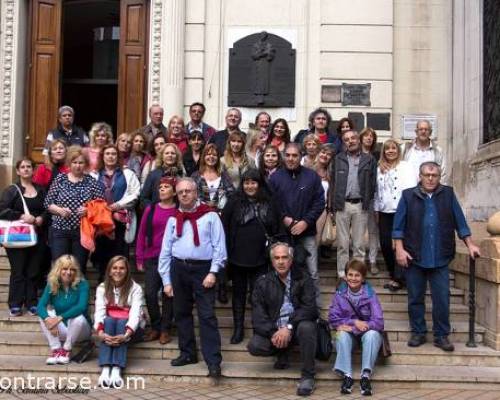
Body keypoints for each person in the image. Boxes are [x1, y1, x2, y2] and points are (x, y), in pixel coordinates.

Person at [393, 161, 481, 352]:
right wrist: (399, 249)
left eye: (434, 175)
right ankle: (418, 332)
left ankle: (441, 335)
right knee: (415, 297)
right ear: (420, 176)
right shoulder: (408, 195)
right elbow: (398, 226)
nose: (431, 179)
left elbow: (460, 222)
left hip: (440, 256)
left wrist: (470, 244)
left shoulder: (448, 194)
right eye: (427, 175)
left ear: (439, 177)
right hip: (414, 256)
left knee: (442, 298)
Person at [158, 177, 227, 378]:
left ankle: (213, 361)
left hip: (203, 269)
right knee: (181, 313)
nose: (185, 194)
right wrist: (166, 281)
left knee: (206, 316)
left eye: (188, 191)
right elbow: (165, 250)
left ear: (196, 193)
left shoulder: (210, 216)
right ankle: (187, 353)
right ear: (176, 195)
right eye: (180, 192)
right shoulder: (173, 218)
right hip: (179, 269)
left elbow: (219, 247)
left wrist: (213, 272)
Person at [248, 242, 318, 397]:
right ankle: (282, 351)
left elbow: (310, 309)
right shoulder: (262, 282)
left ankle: (308, 376)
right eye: (277, 258)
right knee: (255, 345)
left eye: (284, 257)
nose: (281, 261)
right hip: (276, 330)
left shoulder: (303, 278)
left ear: (291, 260)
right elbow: (258, 318)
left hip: (297, 329)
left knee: (307, 327)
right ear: (272, 261)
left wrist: (289, 327)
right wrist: (276, 333)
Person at [222, 169, 283, 344]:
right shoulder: (234, 201)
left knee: (260, 296)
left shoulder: (270, 202)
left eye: (253, 182)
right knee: (239, 295)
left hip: (261, 258)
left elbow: (277, 228)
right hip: (237, 258)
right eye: (246, 182)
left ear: (259, 184)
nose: (250, 186)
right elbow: (224, 226)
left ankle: (259, 329)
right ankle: (238, 328)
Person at [269, 143, 325, 307]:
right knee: (283, 271)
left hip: (306, 232)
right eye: (288, 155)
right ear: (284, 156)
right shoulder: (276, 178)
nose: (291, 159)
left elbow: (319, 202)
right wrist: (284, 218)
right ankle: (283, 308)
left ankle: (316, 309)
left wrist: (306, 222)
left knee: (312, 272)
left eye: (295, 155)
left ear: (301, 157)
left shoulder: (312, 176)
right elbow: (271, 203)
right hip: (283, 234)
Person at [45, 146, 105, 274]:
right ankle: (59, 293)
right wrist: (59, 210)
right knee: (59, 267)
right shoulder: (60, 179)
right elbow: (48, 202)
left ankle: (77, 294)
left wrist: (88, 210)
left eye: (81, 162)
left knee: (78, 267)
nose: (78, 166)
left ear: (86, 164)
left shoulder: (91, 182)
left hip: (82, 232)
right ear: (69, 163)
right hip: (60, 230)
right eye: (75, 162)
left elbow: (101, 206)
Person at [328, 259, 384, 396]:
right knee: (339, 333)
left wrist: (363, 325)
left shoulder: (371, 294)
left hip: (367, 334)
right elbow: (332, 318)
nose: (353, 278)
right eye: (350, 275)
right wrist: (354, 323)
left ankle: (365, 377)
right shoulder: (339, 294)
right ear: (346, 276)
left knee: (373, 334)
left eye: (357, 275)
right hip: (349, 335)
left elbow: (379, 322)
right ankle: (347, 376)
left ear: (363, 277)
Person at [0, 158, 48, 316]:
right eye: (23, 167)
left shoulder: (41, 190)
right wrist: (21, 215)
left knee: (34, 270)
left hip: (37, 236)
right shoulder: (11, 190)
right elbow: (2, 210)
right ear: (18, 171)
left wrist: (41, 218)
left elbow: (48, 209)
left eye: (29, 167)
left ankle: (32, 302)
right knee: (18, 270)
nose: (26, 169)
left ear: (34, 170)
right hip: (16, 237)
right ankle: (15, 303)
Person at [136, 177, 177, 344]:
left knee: (169, 294)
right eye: (160, 187)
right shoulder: (151, 209)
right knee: (150, 293)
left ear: (174, 192)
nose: (162, 189)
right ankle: (156, 326)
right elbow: (142, 233)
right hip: (152, 257)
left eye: (166, 187)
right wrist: (139, 256)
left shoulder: (179, 211)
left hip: (173, 259)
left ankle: (165, 329)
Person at [91, 145, 140, 281]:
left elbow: (134, 193)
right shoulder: (94, 175)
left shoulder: (127, 173)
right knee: (102, 255)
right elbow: (89, 196)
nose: (111, 156)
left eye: (113, 154)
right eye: (107, 154)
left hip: (120, 221)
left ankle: (120, 286)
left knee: (119, 255)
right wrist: (103, 209)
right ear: (103, 156)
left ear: (118, 157)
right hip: (101, 223)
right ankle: (103, 285)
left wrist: (117, 205)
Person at [332, 130, 377, 279]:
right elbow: (333, 182)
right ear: (343, 143)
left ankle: (357, 276)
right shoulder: (338, 158)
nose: (350, 141)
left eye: (353, 138)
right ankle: (342, 276)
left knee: (358, 245)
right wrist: (333, 206)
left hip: (360, 205)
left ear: (359, 140)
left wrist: (367, 201)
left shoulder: (369, 159)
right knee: (342, 245)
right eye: (346, 139)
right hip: (342, 205)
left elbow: (373, 182)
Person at [94, 256, 145, 388]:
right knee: (109, 320)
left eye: (122, 268)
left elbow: (135, 315)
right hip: (110, 328)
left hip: (131, 330)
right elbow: (99, 311)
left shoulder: (136, 288)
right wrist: (100, 332)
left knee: (122, 322)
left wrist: (126, 335)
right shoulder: (102, 287)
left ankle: (116, 370)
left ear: (127, 271)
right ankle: (105, 370)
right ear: (109, 271)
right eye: (115, 268)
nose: (118, 271)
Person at [374, 139, 417, 292]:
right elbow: (377, 192)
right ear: (383, 151)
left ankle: (398, 278)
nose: (390, 151)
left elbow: (412, 188)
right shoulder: (379, 168)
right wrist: (376, 210)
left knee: (399, 244)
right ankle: (393, 273)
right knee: (385, 244)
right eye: (387, 149)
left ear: (398, 151)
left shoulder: (406, 166)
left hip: (402, 210)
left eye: (393, 148)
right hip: (384, 211)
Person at [37, 255, 91, 365]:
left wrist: (59, 318)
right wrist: (48, 320)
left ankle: (66, 350)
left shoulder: (83, 284)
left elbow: (81, 307)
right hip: (61, 329)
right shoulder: (52, 284)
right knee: (43, 315)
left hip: (81, 330)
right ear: (58, 270)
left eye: (72, 269)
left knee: (78, 318)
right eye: (65, 269)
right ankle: (56, 350)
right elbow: (40, 306)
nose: (68, 272)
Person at [360, 127, 380, 274]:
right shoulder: (353, 155)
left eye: (371, 136)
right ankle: (358, 261)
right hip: (357, 198)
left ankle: (372, 260)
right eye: (366, 136)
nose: (369, 138)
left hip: (373, 197)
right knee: (357, 231)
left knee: (373, 231)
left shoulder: (377, 156)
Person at [192, 144, 235, 212]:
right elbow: (192, 196)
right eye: (208, 154)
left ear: (218, 158)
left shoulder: (224, 175)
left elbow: (232, 195)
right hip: (199, 214)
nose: (211, 157)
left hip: (221, 215)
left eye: (214, 155)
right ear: (203, 157)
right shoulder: (195, 176)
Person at [313, 144, 335, 258]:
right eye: (323, 152)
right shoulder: (308, 169)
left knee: (317, 240)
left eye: (328, 154)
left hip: (322, 211)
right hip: (307, 210)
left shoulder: (329, 173)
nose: (325, 155)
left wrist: (330, 210)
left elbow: (330, 193)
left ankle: (314, 267)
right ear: (318, 153)